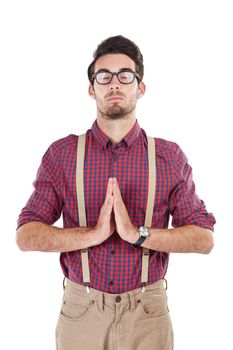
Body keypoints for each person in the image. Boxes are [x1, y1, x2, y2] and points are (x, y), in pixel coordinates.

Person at [16, 35, 216, 350]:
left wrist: (138, 234)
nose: (114, 84)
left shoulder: (168, 156)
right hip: (81, 311)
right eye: (104, 76)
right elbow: (26, 235)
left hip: (147, 312)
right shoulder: (62, 154)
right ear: (91, 88)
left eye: (125, 75)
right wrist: (92, 235)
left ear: (140, 87)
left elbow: (204, 239)